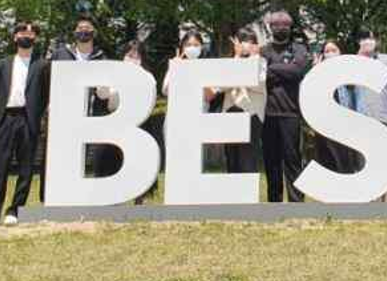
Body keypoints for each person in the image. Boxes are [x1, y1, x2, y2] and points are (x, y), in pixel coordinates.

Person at [0, 22, 48, 229]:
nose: (27, 36)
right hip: (6, 118)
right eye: (23, 32)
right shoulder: (2, 64)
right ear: (15, 37)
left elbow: (45, 94)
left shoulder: (43, 65)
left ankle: (15, 211)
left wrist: (36, 114)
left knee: (26, 167)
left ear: (35, 39)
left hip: (29, 118)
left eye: (31, 33)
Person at [39, 14, 109, 202]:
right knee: (57, 157)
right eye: (80, 29)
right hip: (62, 114)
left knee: (86, 158)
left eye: (88, 29)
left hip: (90, 115)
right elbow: (46, 81)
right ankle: (51, 197)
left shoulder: (101, 58)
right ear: (74, 32)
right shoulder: (60, 54)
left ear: (94, 33)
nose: (84, 31)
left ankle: (87, 196)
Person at [94, 39, 156, 203]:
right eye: (129, 55)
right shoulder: (113, 73)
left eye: (136, 56)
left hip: (140, 124)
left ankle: (140, 197)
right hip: (114, 122)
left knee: (138, 162)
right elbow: (102, 95)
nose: (132, 59)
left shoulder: (147, 76)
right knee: (112, 160)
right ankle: (112, 197)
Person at [261, 10, 310, 202]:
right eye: (276, 25)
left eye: (285, 25)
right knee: (271, 160)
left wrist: (272, 68)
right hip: (267, 114)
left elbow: (298, 71)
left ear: (290, 28)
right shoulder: (264, 51)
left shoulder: (299, 48)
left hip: (291, 113)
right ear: (270, 28)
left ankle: (296, 201)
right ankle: (274, 201)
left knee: (293, 158)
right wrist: (285, 70)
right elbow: (261, 77)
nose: (281, 28)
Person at [354, 29, 387, 201]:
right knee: (365, 164)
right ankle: (369, 203)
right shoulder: (352, 62)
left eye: (372, 37)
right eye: (365, 38)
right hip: (361, 121)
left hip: (384, 118)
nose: (369, 41)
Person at [163, 29, 217, 172]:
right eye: (188, 45)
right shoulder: (176, 65)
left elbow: (210, 96)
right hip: (176, 119)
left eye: (196, 45)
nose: (192, 48)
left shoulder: (208, 67)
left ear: (202, 47)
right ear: (182, 47)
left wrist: (199, 75)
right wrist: (175, 69)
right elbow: (166, 90)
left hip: (198, 119)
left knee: (195, 162)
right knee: (175, 162)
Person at [221, 28, 267, 174]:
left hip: (252, 114)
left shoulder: (261, 62)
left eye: (252, 41)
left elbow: (259, 84)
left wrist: (253, 59)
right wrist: (237, 57)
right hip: (230, 112)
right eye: (244, 41)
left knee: (247, 160)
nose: (248, 45)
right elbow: (222, 85)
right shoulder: (231, 61)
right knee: (232, 159)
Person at [312, 40, 360, 176]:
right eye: (327, 51)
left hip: (345, 124)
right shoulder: (317, 74)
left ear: (341, 52)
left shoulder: (348, 73)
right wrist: (316, 71)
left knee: (346, 163)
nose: (330, 54)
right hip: (324, 125)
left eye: (334, 50)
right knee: (328, 163)